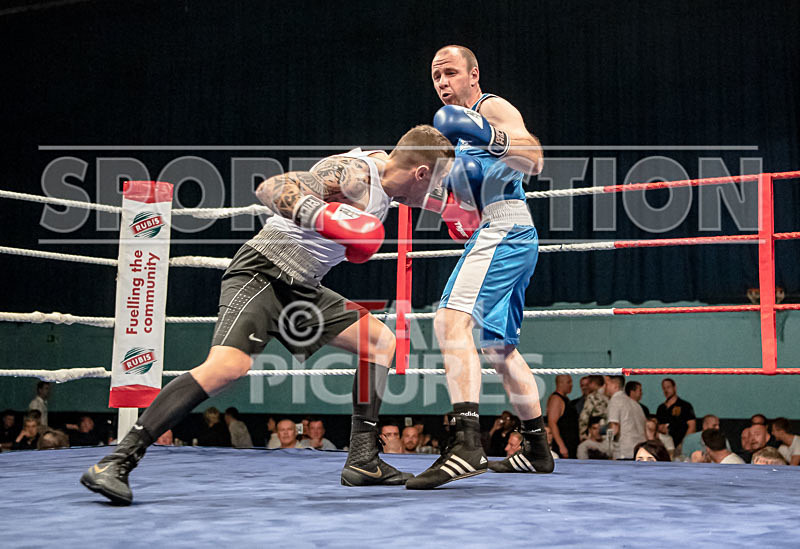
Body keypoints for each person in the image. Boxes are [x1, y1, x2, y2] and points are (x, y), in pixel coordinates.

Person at [80, 126, 455, 504]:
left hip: (302, 287)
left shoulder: (395, 181)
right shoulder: (354, 174)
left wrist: (466, 217)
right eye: (435, 180)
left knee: (379, 340)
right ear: (421, 173)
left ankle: (363, 460)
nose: (435, 191)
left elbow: (440, 198)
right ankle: (116, 460)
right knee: (227, 367)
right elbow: (271, 188)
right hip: (265, 270)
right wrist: (325, 218)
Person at [407, 45, 550, 490]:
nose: (443, 83)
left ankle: (467, 444)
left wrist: (491, 135)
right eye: (436, 77)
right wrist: (454, 207)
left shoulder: (490, 107)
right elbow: (466, 198)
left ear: (474, 75)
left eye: (450, 73)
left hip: (504, 230)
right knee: (497, 347)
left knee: (450, 321)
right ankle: (537, 449)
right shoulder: (459, 137)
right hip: (505, 231)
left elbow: (536, 157)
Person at [604, 375, 646, 460]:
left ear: (615, 385)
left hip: (624, 453)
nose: (605, 387)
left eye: (606, 384)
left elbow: (614, 428)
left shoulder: (615, 400)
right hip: (640, 452)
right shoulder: (636, 405)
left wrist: (607, 449)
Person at [655, 378, 696, 447]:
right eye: (664, 388)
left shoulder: (685, 406)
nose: (666, 390)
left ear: (674, 387)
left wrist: (683, 444)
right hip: (664, 445)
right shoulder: (661, 408)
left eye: (668, 387)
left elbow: (692, 426)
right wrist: (660, 428)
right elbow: (657, 426)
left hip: (681, 445)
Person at [547, 375, 579, 458]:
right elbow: (552, 422)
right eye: (568, 382)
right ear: (560, 383)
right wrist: (561, 446)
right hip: (563, 445)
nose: (571, 385)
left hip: (570, 444)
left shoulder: (565, 399)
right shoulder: (556, 399)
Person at [578, 375, 609, 440]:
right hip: (609, 433)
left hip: (595, 434)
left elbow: (584, 418)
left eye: (589, 384)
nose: (587, 386)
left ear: (593, 383)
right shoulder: (609, 395)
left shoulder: (592, 397)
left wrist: (582, 435)